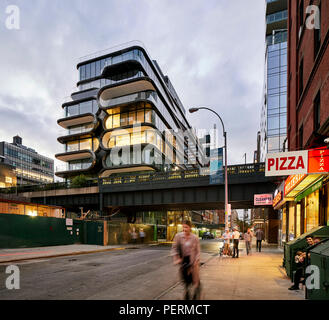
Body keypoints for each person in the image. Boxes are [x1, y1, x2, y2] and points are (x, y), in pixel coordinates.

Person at [172, 220, 202, 300]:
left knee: (194, 278)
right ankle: (187, 292)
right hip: (183, 260)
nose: (184, 229)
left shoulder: (195, 238)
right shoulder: (178, 236)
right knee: (185, 278)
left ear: (190, 227)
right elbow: (174, 248)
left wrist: (197, 260)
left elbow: (198, 251)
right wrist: (177, 258)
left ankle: (196, 289)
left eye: (186, 227)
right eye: (183, 227)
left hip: (193, 260)